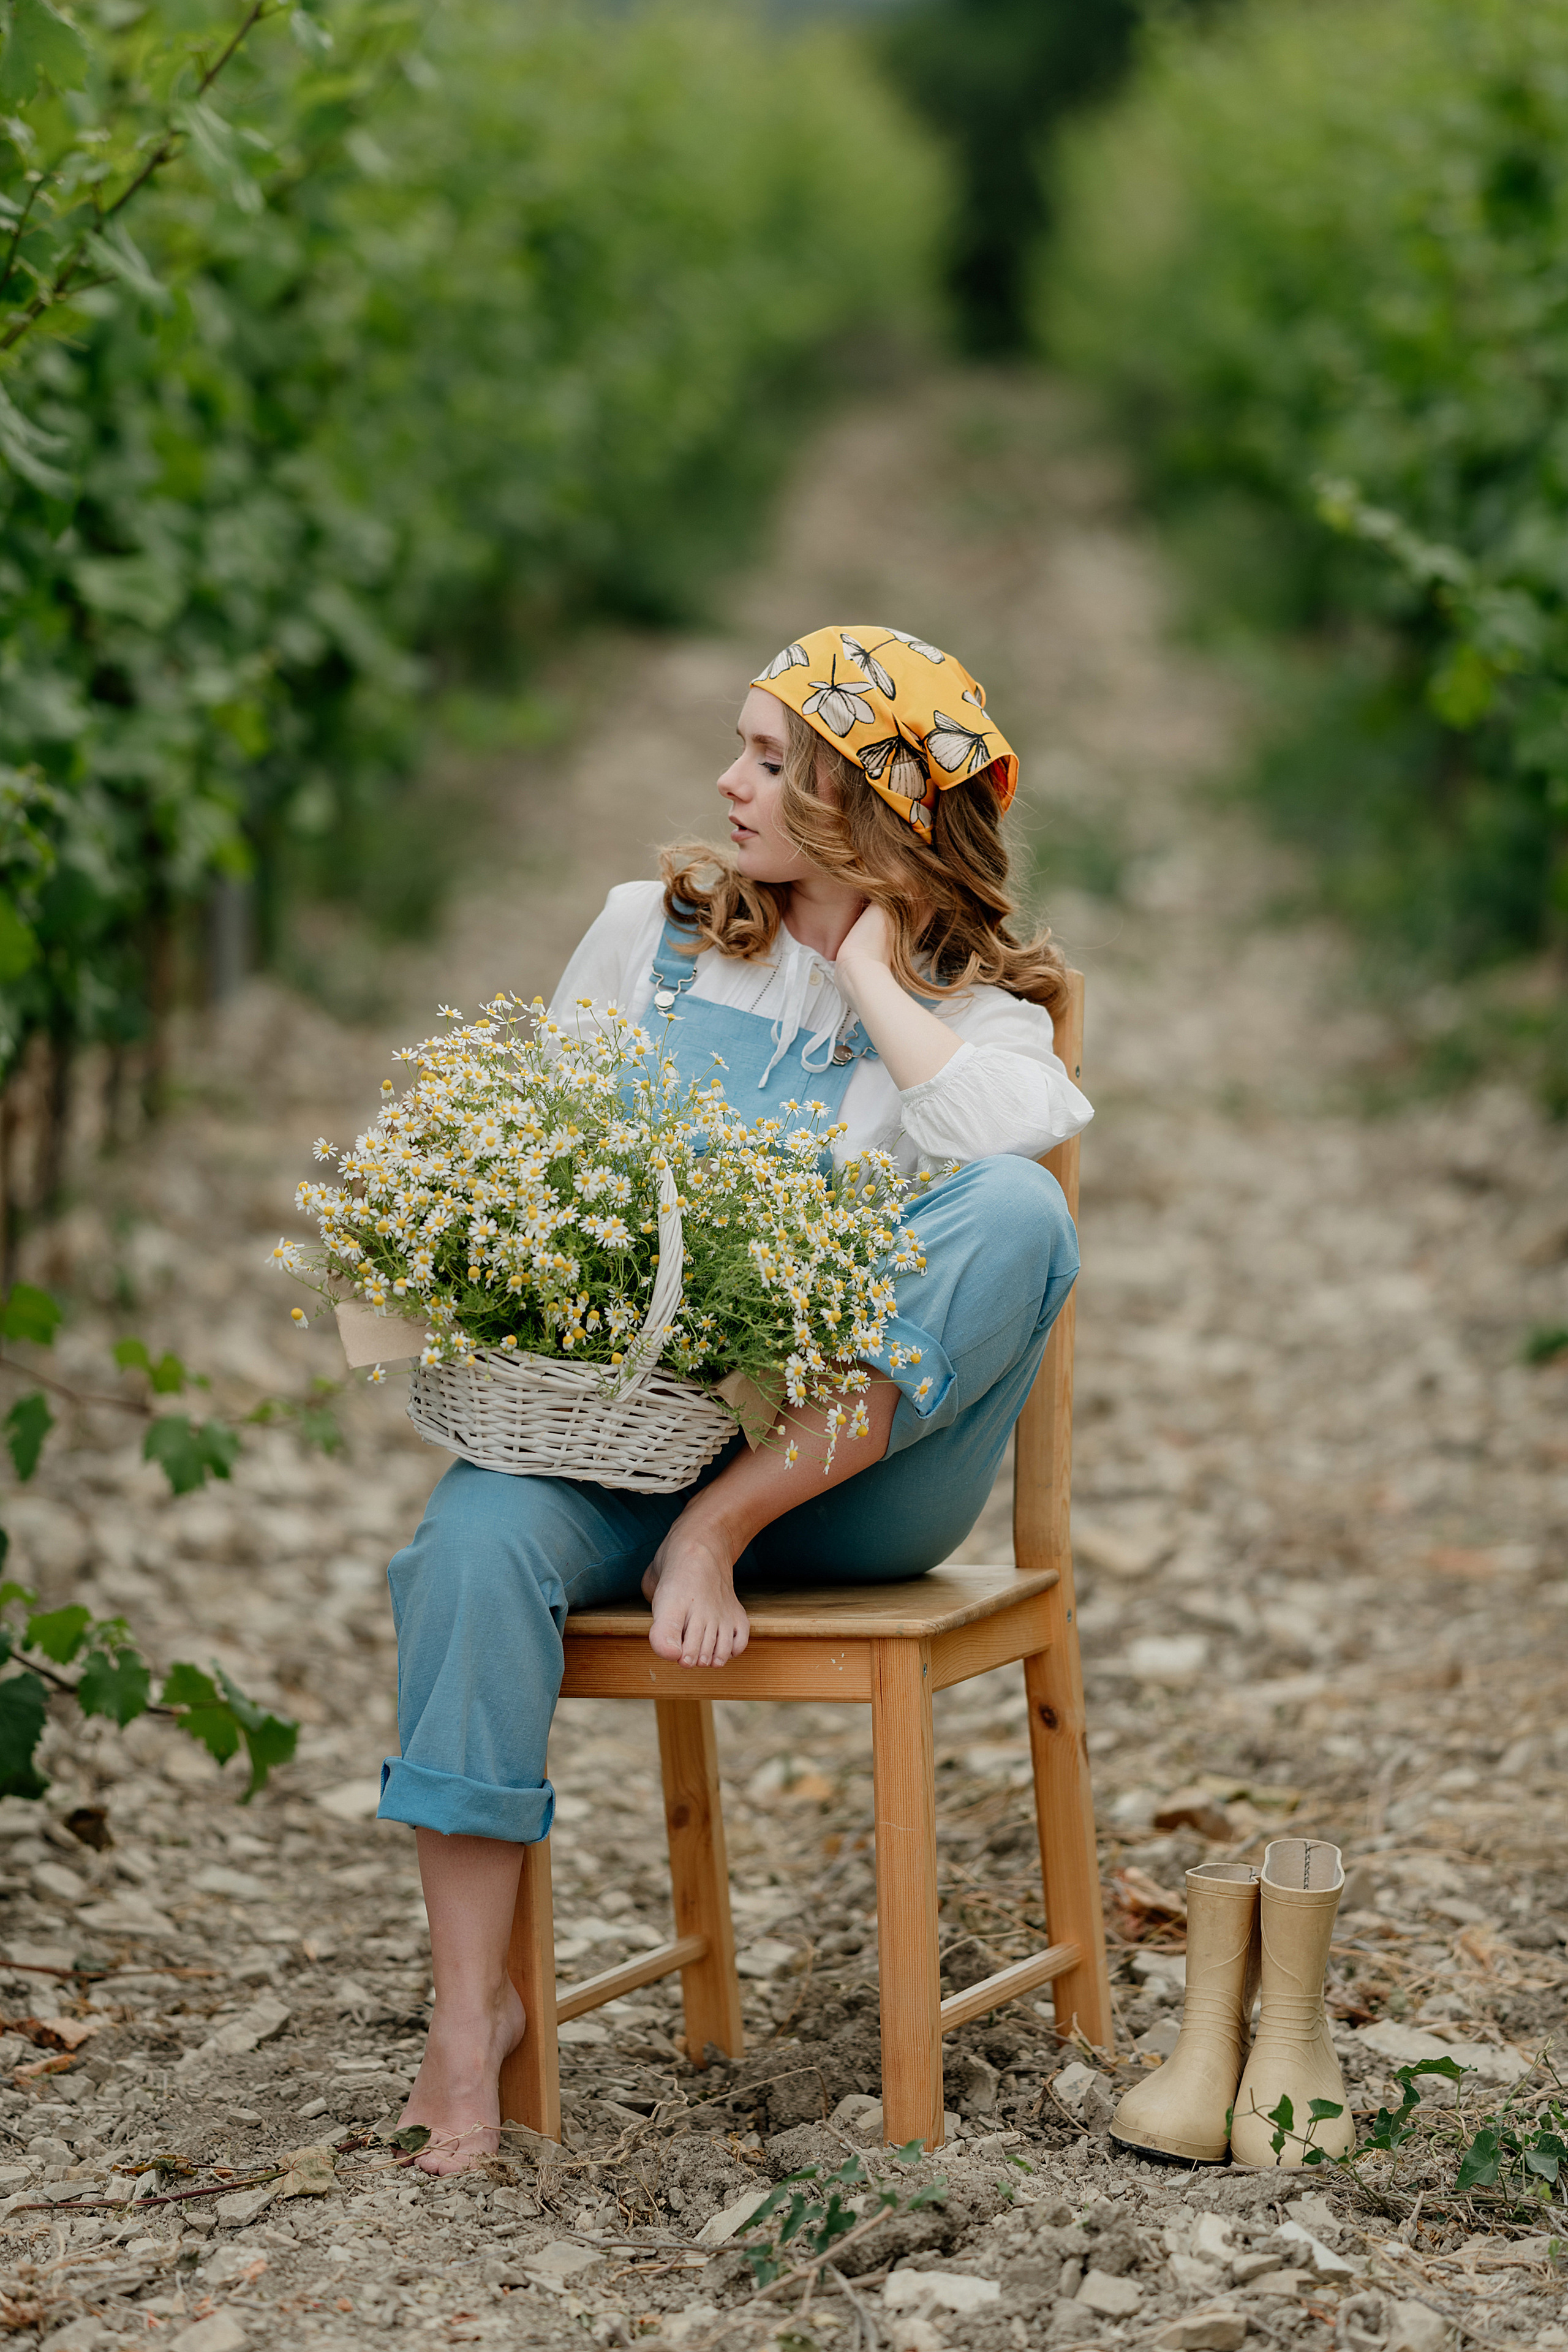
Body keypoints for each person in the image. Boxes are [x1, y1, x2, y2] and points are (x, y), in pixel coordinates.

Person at [385, 624, 1091, 2170]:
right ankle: (465, 2014)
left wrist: (855, 958)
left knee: (1015, 1216)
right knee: (466, 1551)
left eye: (773, 762)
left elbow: (995, 1140)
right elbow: (549, 1142)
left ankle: (718, 1526)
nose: (727, 782)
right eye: (740, 747)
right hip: (624, 1443)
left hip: (848, 1490)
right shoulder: (649, 934)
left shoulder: (980, 1019)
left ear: (871, 801)